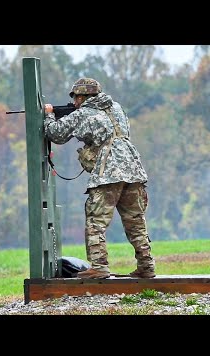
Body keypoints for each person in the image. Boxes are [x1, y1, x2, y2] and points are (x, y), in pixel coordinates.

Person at [43, 77, 155, 279]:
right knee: (136, 222)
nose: (74, 102)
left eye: (76, 98)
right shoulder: (117, 108)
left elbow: (55, 134)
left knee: (96, 222)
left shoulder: (83, 113)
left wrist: (49, 115)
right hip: (134, 169)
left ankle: (99, 267)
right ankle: (147, 267)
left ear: (82, 97)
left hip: (108, 172)